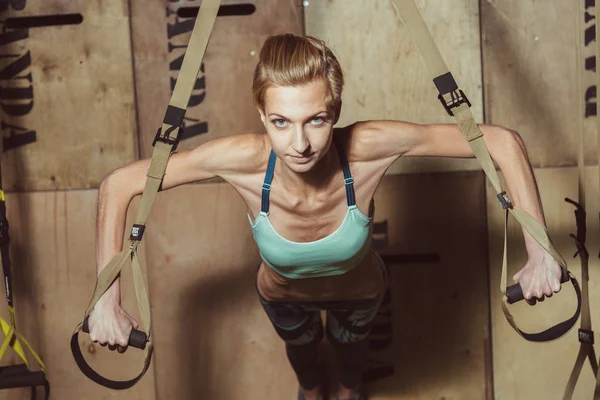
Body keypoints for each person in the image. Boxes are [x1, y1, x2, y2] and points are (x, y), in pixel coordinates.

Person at [86, 33, 562, 400]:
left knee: (352, 370)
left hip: (360, 296)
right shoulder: (240, 160)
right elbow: (119, 184)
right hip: (283, 298)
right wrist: (105, 298)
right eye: (281, 122)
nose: (299, 144)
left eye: (315, 119)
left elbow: (501, 142)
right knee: (306, 367)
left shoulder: (368, 147)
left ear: (334, 111)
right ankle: (313, 390)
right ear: (261, 113)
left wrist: (540, 250)